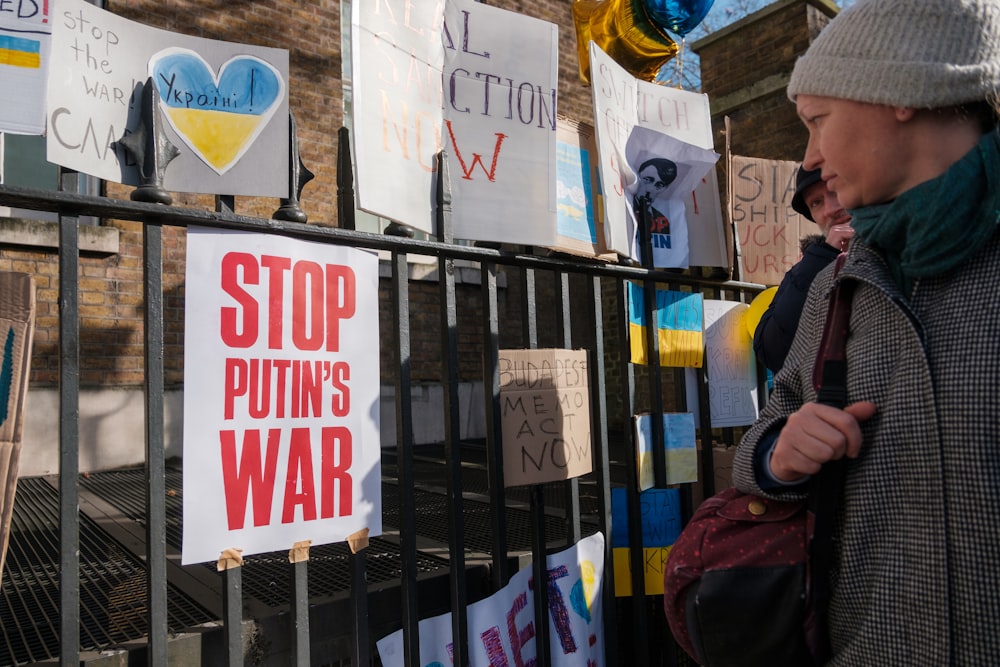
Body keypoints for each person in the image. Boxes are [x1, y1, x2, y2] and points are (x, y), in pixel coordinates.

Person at [732, 0, 1000, 664]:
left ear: (899, 93)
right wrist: (780, 452)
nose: (812, 157)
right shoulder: (839, 283)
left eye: (817, 121)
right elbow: (759, 444)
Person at [753, 165, 853, 373]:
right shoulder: (807, 270)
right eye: (816, 202)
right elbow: (774, 353)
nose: (830, 209)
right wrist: (823, 257)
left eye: (836, 190)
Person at [633, 157, 678, 240]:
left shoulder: (662, 222)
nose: (650, 189)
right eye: (647, 180)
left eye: (659, 185)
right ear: (638, 175)